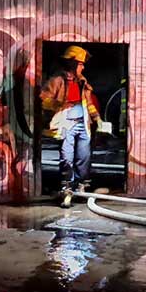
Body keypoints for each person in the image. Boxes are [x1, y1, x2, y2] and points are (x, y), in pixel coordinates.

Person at [40, 45, 101, 207]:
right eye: (80, 64)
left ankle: (81, 187)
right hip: (66, 124)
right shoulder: (57, 80)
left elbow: (88, 103)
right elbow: (43, 99)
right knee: (67, 157)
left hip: (83, 123)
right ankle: (67, 188)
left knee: (84, 156)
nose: (83, 67)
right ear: (72, 63)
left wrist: (97, 119)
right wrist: (59, 104)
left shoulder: (82, 82)